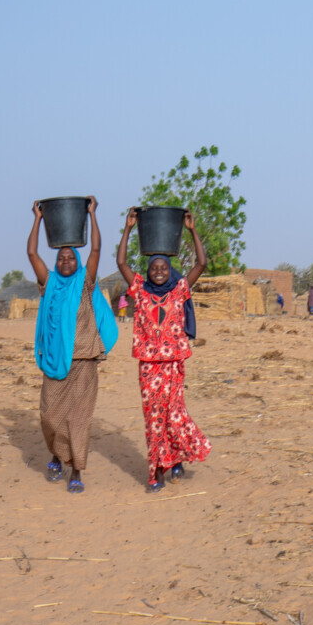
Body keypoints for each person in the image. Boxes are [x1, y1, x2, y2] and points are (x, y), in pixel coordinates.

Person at [27, 197, 118, 494]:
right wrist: (38, 218)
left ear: (77, 263)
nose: (66, 261)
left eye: (70, 258)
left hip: (84, 362)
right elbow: (31, 252)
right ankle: (56, 454)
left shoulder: (85, 282)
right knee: (50, 417)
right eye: (61, 258)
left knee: (78, 420)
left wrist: (92, 215)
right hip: (56, 363)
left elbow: (95, 249)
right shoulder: (49, 284)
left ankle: (76, 471)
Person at [118, 207, 212, 491]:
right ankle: (157, 469)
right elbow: (121, 262)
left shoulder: (179, 289)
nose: (159, 272)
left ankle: (175, 457)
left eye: (163, 268)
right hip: (148, 364)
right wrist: (128, 229)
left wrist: (192, 230)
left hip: (172, 363)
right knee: (153, 417)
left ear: (170, 271)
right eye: (154, 268)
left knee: (173, 413)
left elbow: (201, 265)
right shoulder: (140, 290)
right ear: (148, 272)